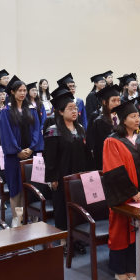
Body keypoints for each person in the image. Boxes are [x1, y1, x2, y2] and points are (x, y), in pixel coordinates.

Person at [101, 98, 140, 280]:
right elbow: (114, 171)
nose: (137, 119)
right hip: (122, 196)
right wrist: (132, 192)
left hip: (139, 195)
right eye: (132, 116)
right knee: (120, 231)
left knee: (135, 230)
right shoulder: (112, 141)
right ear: (123, 120)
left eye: (138, 116)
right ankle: (119, 270)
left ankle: (132, 267)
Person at [43, 87, 92, 232]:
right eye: (70, 108)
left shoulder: (80, 128)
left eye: (75, 108)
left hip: (79, 175)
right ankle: (64, 237)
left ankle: (79, 235)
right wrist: (53, 178)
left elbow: (86, 153)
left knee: (80, 205)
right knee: (62, 207)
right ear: (60, 112)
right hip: (61, 177)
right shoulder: (53, 131)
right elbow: (49, 158)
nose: (74, 111)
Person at [0, 76, 43, 212]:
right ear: (12, 92)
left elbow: (36, 130)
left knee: (31, 188)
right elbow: (6, 134)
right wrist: (17, 151)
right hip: (14, 157)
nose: (23, 93)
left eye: (24, 90)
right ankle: (17, 219)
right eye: (20, 90)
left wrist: (31, 148)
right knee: (15, 189)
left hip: (31, 154)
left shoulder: (31, 110)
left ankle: (30, 218)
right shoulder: (5, 112)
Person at [87, 85, 121, 171]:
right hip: (108, 163)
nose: (117, 103)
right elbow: (98, 148)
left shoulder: (122, 118)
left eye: (119, 100)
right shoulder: (100, 122)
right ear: (105, 102)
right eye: (113, 100)